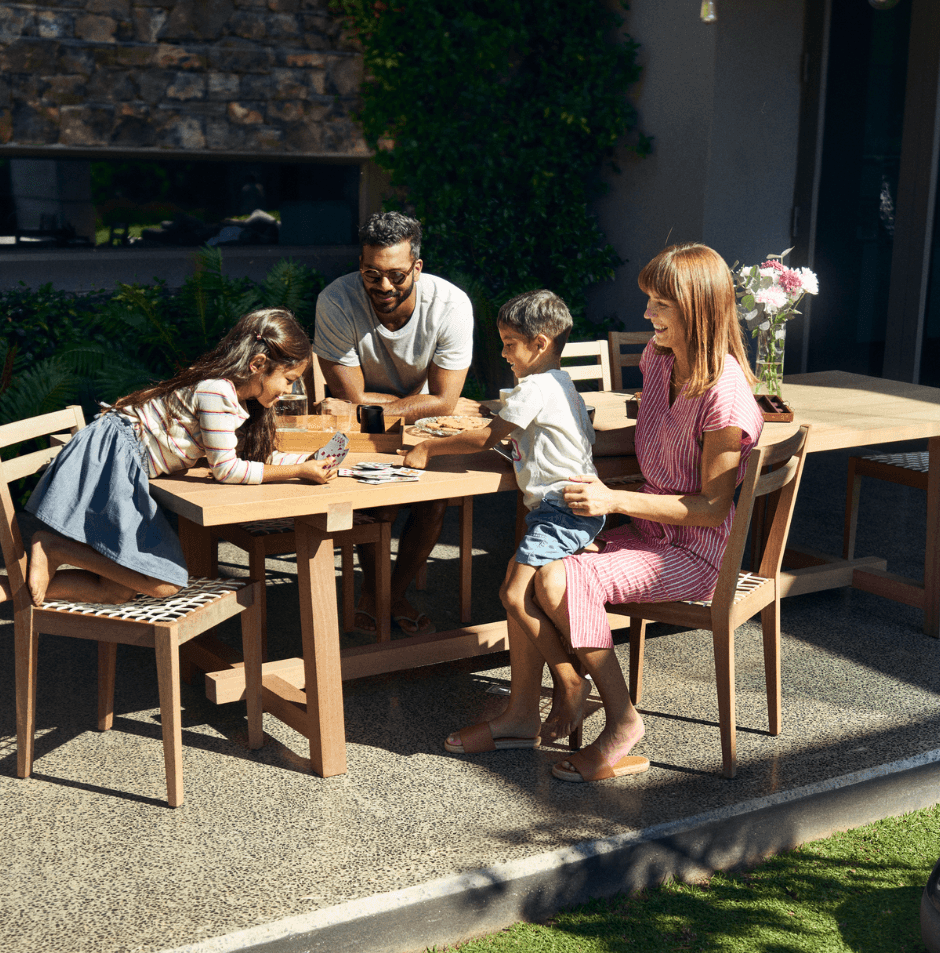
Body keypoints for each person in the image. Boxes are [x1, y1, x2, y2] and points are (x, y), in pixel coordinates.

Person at [440, 243, 765, 781]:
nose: (647, 313)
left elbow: (712, 509)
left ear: (699, 310)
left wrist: (613, 500)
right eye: (650, 300)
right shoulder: (660, 361)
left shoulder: (725, 397)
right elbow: (648, 438)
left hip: (696, 554)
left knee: (557, 578)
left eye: (661, 304)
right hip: (647, 533)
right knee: (526, 575)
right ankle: (520, 716)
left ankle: (622, 719)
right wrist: (564, 439)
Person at [0, 309, 337, 632]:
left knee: (117, 589)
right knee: (163, 582)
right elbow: (226, 469)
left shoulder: (229, 395)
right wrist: (299, 472)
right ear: (257, 365)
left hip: (122, 461)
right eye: (288, 380)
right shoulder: (217, 392)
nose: (289, 390)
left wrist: (306, 463)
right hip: (116, 461)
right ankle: (53, 546)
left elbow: (246, 457)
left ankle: (0, 587)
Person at [406, 289, 608, 753]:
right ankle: (555, 688)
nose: (502, 353)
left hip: (559, 509)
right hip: (569, 508)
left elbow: (487, 437)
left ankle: (570, 681)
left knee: (512, 595)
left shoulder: (534, 388)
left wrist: (428, 447)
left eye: (510, 343)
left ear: (539, 344)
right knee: (518, 592)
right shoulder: (561, 383)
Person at [313, 210, 483, 635]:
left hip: (419, 429)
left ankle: (386, 595)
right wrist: (428, 404)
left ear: (417, 267)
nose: (384, 286)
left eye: (396, 275)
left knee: (433, 501)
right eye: (372, 274)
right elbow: (354, 399)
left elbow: (442, 400)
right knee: (378, 502)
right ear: (360, 265)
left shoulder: (450, 305)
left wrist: (431, 405)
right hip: (365, 429)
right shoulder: (336, 300)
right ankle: (382, 595)